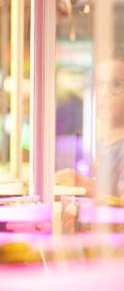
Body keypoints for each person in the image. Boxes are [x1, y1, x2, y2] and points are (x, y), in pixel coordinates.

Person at [56, 47, 124, 200]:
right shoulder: (102, 144)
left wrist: (84, 186)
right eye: (100, 84)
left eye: (116, 84)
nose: (105, 93)